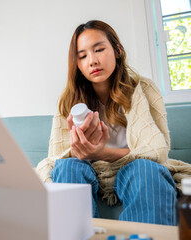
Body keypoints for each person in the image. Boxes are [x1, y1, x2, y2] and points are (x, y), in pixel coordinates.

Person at [36, 20, 191, 226]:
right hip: (89, 172)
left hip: (134, 171)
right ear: (77, 64)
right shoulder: (68, 101)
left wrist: (99, 152)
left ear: (117, 50)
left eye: (99, 49)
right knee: (66, 168)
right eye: (82, 56)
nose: (92, 61)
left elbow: (157, 152)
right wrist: (81, 150)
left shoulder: (143, 89)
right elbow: (56, 159)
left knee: (146, 170)